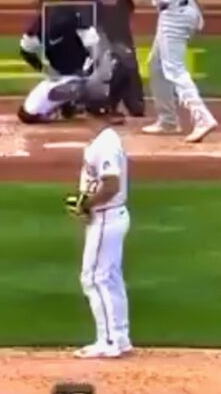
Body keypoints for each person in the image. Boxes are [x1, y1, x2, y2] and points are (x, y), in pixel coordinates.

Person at [119, 0, 220, 143]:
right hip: (183, 9)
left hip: (174, 14)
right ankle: (168, 120)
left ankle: (202, 117)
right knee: (156, 65)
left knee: (173, 69)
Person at [66, 89, 132, 358]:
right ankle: (120, 337)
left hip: (106, 216)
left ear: (88, 112)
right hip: (110, 216)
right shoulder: (105, 139)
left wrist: (86, 204)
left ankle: (108, 342)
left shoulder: (105, 144)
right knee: (110, 278)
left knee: (94, 278)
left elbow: (112, 184)